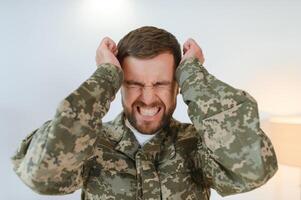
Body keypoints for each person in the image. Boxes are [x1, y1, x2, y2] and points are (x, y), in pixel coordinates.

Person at [11, 26, 278, 200]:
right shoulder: (93, 143)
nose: (148, 98)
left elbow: (255, 169)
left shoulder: (199, 145)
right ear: (118, 85)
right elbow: (41, 175)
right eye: (134, 84)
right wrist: (104, 76)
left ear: (178, 86)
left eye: (160, 84)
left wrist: (194, 75)